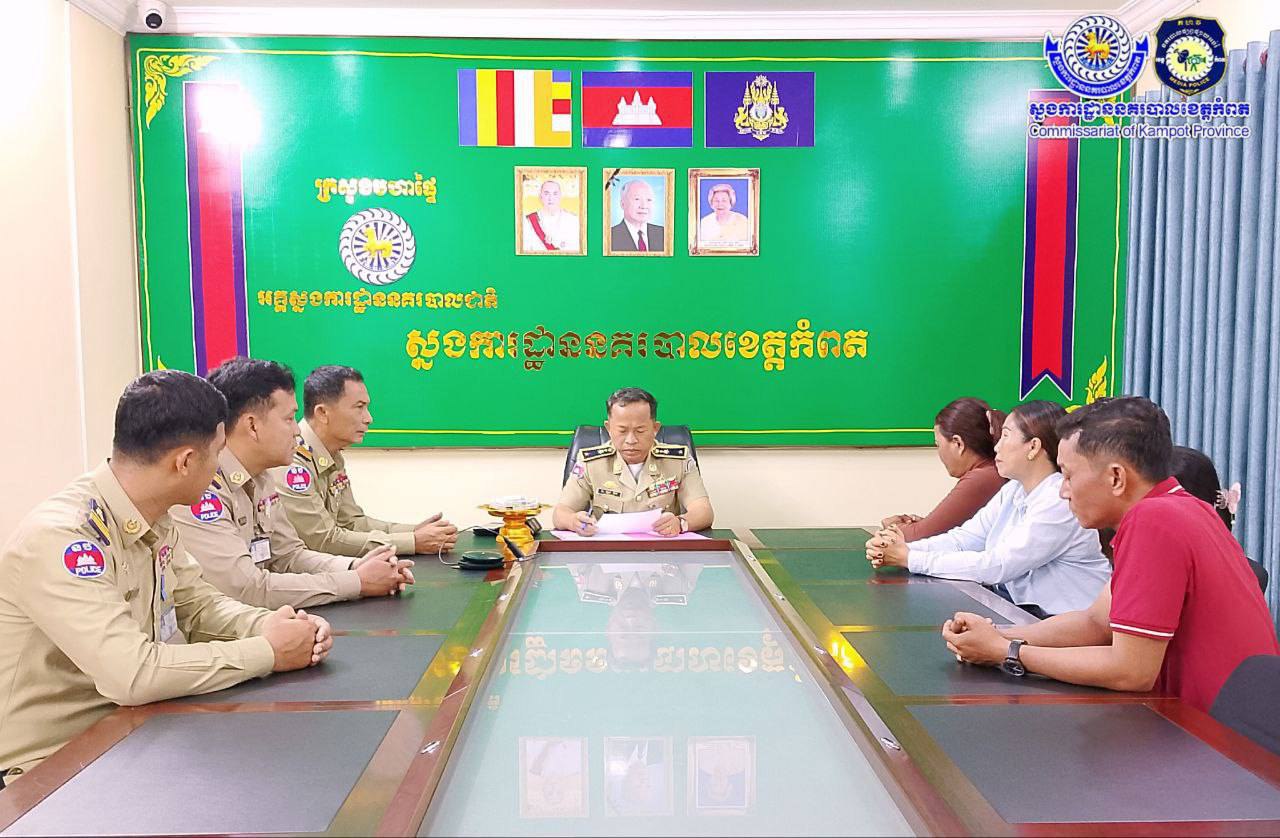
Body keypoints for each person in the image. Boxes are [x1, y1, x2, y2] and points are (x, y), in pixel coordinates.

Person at [0, 371, 330, 785]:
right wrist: (268, 652)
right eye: (217, 453)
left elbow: (198, 605)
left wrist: (273, 625)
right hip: (53, 767)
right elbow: (132, 674)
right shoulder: (64, 537)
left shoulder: (153, 511)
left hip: (139, 731)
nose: (220, 467)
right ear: (185, 462)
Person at [941, 397, 1279, 712]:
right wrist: (997, 635)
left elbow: (1131, 671)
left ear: (1116, 477)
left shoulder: (1153, 521)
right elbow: (1096, 623)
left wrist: (1006, 652)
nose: (1063, 491)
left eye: (1069, 475)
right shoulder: (1181, 507)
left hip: (1214, 735)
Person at [173, 357, 413, 609]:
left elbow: (289, 555)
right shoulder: (203, 487)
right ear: (252, 426)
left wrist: (355, 566)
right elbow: (247, 589)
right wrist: (357, 581)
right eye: (289, 419)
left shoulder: (261, 476)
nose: (297, 430)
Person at [867, 401, 1110, 617]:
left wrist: (910, 558)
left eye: (1006, 436)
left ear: (1033, 447)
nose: (996, 447)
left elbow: (997, 565)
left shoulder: (1058, 500)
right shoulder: (1013, 489)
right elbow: (964, 540)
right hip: (1021, 610)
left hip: (1067, 623)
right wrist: (901, 549)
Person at [274, 365, 457, 557]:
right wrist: (413, 541)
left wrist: (414, 531)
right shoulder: (291, 462)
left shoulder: (332, 454)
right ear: (322, 413)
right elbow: (324, 540)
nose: (369, 418)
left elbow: (352, 522)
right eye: (359, 407)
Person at [553, 387, 713, 537]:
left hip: (662, 552)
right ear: (609, 428)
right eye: (622, 431)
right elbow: (560, 513)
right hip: (607, 553)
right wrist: (573, 521)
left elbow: (703, 511)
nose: (631, 440)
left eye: (640, 431)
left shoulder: (678, 461)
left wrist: (681, 523)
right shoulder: (590, 463)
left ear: (655, 428)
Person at [880, 397, 1008, 541]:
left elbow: (920, 536)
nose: (939, 453)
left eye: (938, 445)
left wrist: (892, 527)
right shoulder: (991, 472)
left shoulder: (982, 478)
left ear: (958, 443)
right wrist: (925, 524)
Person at [521, 179, 580, 253]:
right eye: (546, 194)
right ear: (540, 196)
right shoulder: (528, 221)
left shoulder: (573, 220)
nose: (551, 198)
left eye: (555, 194)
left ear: (560, 196)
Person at [609, 179, 665, 252]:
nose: (644, 206)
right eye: (637, 199)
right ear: (622, 204)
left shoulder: (664, 233)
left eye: (649, 200)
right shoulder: (609, 236)